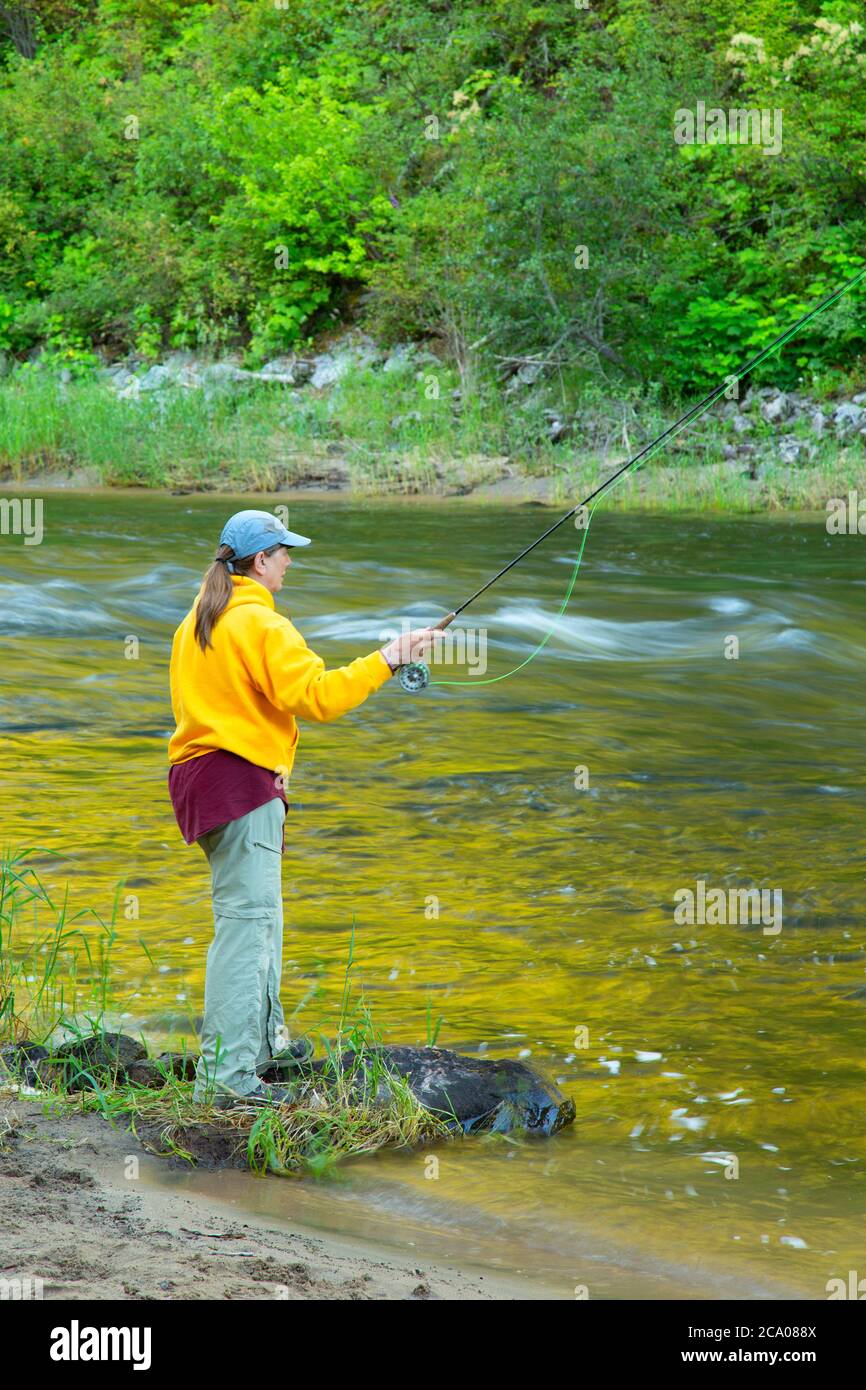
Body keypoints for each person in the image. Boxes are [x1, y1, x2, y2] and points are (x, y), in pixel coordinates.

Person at [167, 509, 443, 1108]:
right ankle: (227, 1078)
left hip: (201, 786)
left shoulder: (197, 620)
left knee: (260, 917)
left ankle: (260, 1047)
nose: (291, 560)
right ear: (260, 562)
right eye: (284, 552)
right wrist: (390, 657)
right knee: (246, 926)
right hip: (239, 786)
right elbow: (316, 697)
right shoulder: (260, 624)